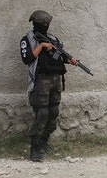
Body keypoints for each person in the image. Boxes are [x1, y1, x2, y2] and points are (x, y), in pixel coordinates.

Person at [20, 10, 78, 162]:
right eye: (42, 24)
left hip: (55, 80)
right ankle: (34, 149)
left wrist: (69, 60)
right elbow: (27, 59)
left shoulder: (52, 38)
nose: (45, 26)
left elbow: (58, 55)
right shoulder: (27, 39)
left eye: (47, 24)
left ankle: (43, 142)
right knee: (42, 114)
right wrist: (42, 46)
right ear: (35, 23)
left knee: (53, 112)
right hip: (40, 81)